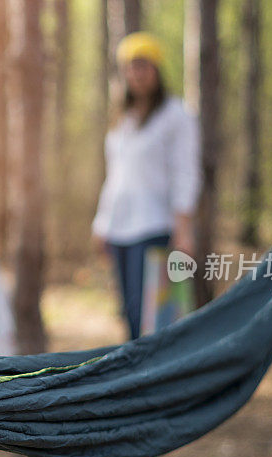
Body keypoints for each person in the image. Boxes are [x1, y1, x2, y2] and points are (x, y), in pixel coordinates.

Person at [92, 32, 200, 340]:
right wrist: (101, 224)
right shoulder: (122, 121)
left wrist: (184, 229)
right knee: (128, 311)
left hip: (154, 226)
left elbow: (186, 173)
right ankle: (133, 379)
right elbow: (115, 177)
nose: (137, 73)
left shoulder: (176, 116)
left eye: (143, 65)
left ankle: (153, 380)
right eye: (131, 66)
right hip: (120, 229)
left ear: (156, 69)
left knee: (152, 314)